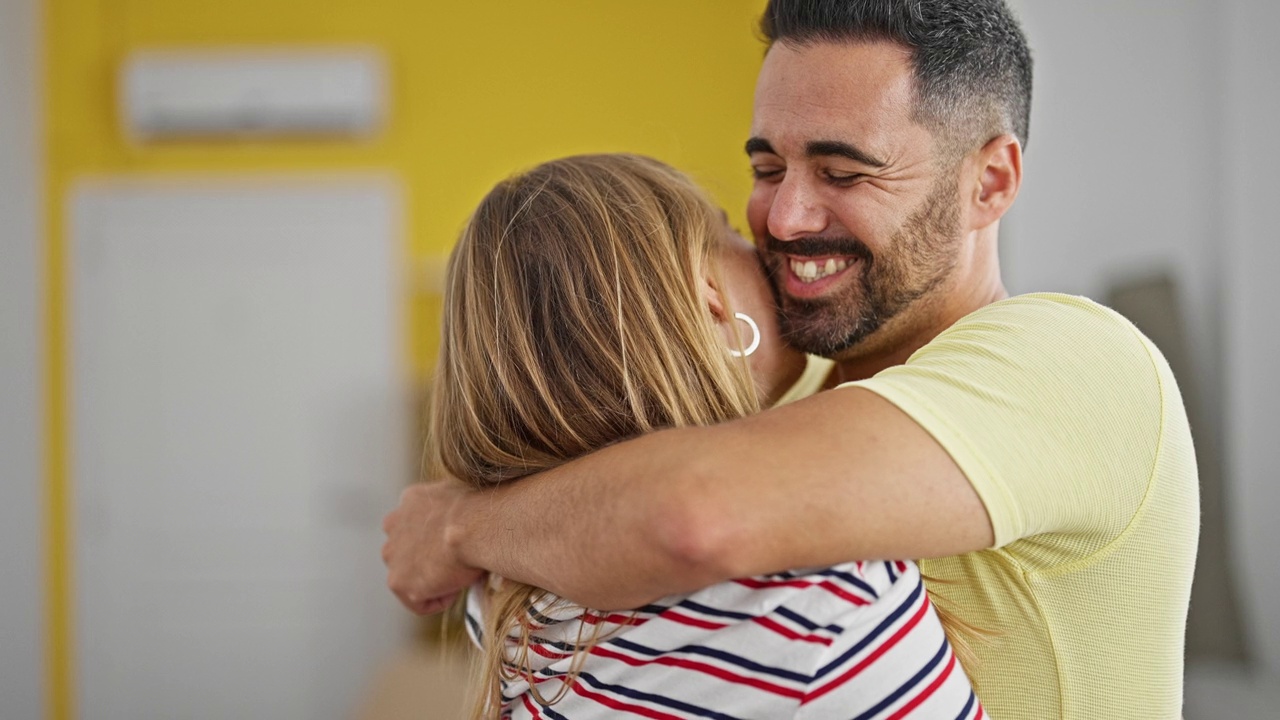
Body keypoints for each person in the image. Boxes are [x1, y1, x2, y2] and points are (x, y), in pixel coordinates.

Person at [383, 2, 1199, 718]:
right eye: (767, 167)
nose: (785, 215)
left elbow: (695, 515)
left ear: (989, 181)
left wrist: (463, 525)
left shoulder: (1076, 362)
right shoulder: (774, 387)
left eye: (843, 171)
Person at [432, 153, 982, 719]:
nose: (769, 246)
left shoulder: (506, 590)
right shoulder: (828, 602)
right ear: (712, 301)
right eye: (732, 233)